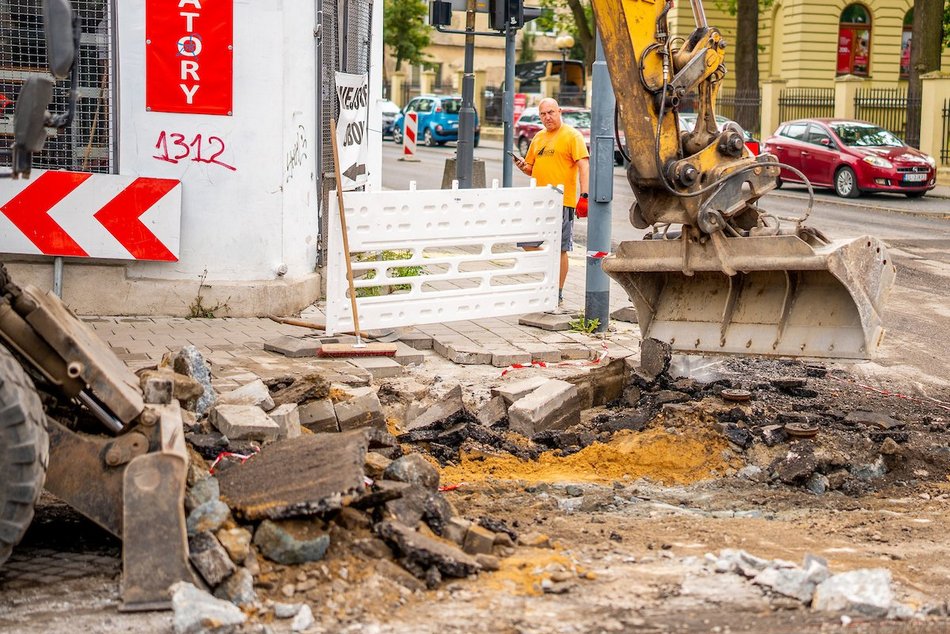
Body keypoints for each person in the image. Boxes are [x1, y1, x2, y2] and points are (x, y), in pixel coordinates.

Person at [511, 97, 590, 309]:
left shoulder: (572, 136)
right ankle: (550, 267)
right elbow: (531, 168)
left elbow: (583, 165)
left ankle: (557, 292)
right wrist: (522, 166)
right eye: (543, 114)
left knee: (561, 249)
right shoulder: (538, 138)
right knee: (527, 242)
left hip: (562, 202)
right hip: (539, 202)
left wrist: (585, 196)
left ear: (559, 111)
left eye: (551, 112)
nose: (547, 117)